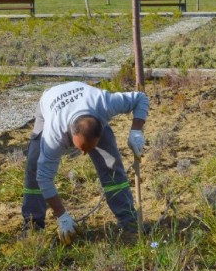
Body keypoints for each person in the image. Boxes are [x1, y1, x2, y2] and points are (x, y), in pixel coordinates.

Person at [22, 81, 148, 244]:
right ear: (69, 134)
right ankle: (33, 224)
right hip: (50, 102)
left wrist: (136, 131)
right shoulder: (54, 133)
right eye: (80, 148)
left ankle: (128, 220)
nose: (83, 154)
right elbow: (44, 177)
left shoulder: (104, 103)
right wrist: (62, 215)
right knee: (34, 165)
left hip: (87, 105)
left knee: (111, 165)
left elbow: (140, 98)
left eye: (87, 148)